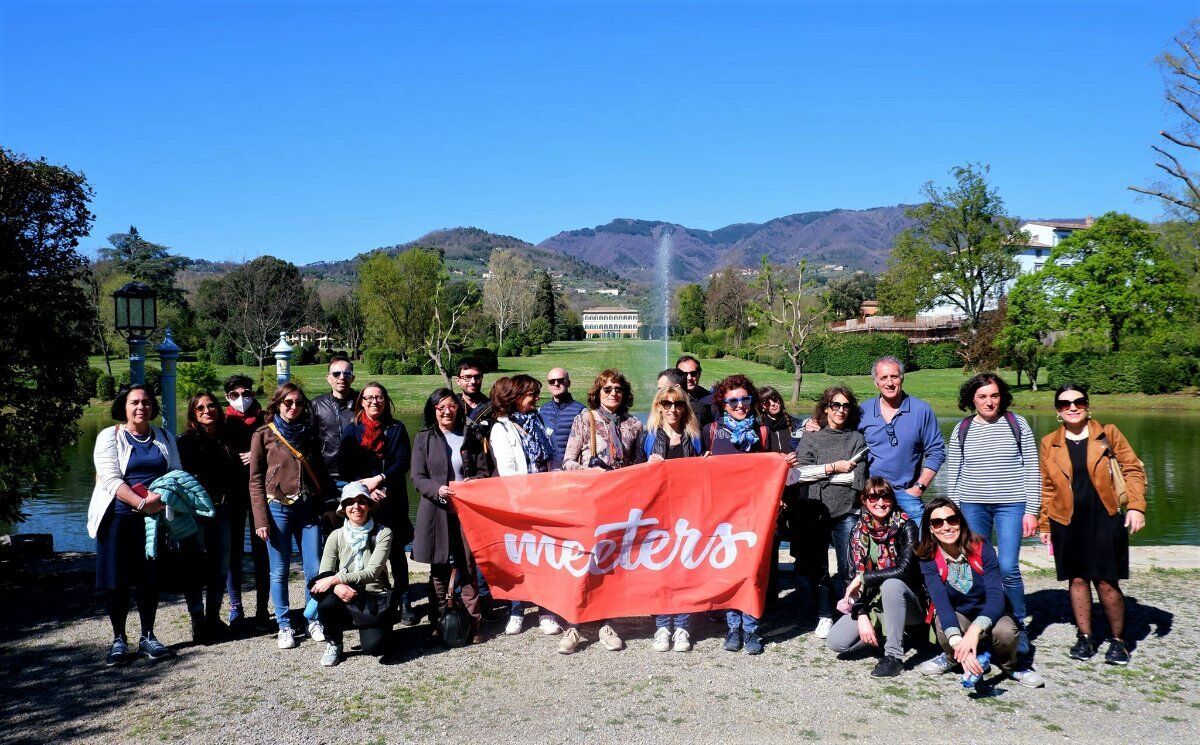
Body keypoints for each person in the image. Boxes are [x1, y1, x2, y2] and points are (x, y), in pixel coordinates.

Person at [941, 372, 1043, 686]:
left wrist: (1031, 509)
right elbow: (953, 473)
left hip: (1011, 504)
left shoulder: (1017, 424)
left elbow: (1032, 467)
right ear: (972, 399)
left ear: (1002, 397)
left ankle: (1018, 624)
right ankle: (981, 623)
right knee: (978, 568)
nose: (989, 401)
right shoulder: (963, 428)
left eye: (994, 395)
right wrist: (954, 515)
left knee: (1009, 567)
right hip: (972, 506)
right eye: (983, 396)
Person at [1037, 384, 1147, 665]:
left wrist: (1136, 506)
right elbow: (1047, 487)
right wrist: (1045, 524)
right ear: (1058, 411)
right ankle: (1085, 637)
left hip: (1106, 518)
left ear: (1087, 405)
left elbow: (1133, 469)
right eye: (1064, 404)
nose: (1072, 408)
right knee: (1076, 579)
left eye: (1078, 402)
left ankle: (1119, 641)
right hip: (1067, 521)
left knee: (1107, 581)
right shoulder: (1050, 442)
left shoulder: (1107, 434)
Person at [702, 374, 797, 655]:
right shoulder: (712, 431)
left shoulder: (762, 430)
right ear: (723, 403)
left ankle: (752, 628)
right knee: (730, 570)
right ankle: (733, 626)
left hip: (756, 513)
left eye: (745, 399)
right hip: (724, 514)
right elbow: (697, 473)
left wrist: (784, 468)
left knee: (754, 571)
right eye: (733, 400)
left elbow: (773, 469)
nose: (740, 405)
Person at [87, 385, 178, 665]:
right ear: (123, 407)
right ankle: (118, 640)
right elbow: (111, 480)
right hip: (117, 519)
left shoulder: (164, 436)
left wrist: (157, 500)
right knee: (117, 581)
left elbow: (176, 473)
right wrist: (141, 504)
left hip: (154, 520)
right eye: (135, 403)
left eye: (147, 402)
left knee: (149, 579)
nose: (141, 407)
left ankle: (148, 636)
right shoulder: (109, 437)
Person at [560, 369, 646, 653]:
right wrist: (590, 472)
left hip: (619, 504)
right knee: (583, 562)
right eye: (607, 389)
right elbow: (568, 461)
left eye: (618, 389)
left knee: (610, 564)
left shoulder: (634, 424)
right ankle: (574, 624)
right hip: (589, 502)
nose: (613, 393)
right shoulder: (585, 419)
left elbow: (638, 466)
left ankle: (606, 622)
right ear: (597, 392)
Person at [249, 383, 335, 650]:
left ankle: (314, 618)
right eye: (288, 403)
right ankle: (284, 624)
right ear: (277, 404)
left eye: (298, 403)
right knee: (279, 570)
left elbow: (319, 469)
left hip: (307, 508)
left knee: (315, 568)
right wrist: (260, 520)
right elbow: (255, 480)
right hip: (278, 508)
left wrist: (327, 504)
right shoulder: (263, 435)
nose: (293, 408)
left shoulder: (309, 432)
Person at [411, 388, 492, 645]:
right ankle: (438, 621)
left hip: (466, 510)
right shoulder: (424, 438)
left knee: (468, 567)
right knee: (439, 568)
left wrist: (474, 482)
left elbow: (484, 471)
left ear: (458, 408)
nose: (447, 411)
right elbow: (418, 477)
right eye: (441, 407)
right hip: (436, 510)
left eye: (452, 406)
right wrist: (437, 489)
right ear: (433, 410)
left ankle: (473, 621)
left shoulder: (470, 436)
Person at [916, 498, 1023, 686]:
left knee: (1006, 631)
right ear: (930, 529)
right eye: (937, 522)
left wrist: (975, 629)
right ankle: (953, 658)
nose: (946, 527)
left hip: (991, 614)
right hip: (960, 616)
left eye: (952, 519)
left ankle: (1011, 665)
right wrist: (960, 647)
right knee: (943, 623)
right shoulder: (928, 558)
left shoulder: (982, 548)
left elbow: (996, 597)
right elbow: (942, 604)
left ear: (961, 521)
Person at [825, 478, 925, 677]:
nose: (880, 503)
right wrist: (861, 614)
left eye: (885, 496)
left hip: (909, 601)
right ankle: (883, 632)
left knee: (892, 584)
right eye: (873, 497)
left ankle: (893, 657)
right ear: (864, 500)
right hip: (873, 602)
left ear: (892, 499)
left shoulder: (907, 525)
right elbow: (851, 577)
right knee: (836, 643)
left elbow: (904, 570)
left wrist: (864, 578)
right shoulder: (858, 530)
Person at [338, 382, 417, 626]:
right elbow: (345, 468)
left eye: (380, 397)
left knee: (396, 553)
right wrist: (365, 491)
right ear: (361, 401)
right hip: (364, 501)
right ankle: (377, 599)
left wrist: (381, 480)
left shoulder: (396, 428)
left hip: (393, 498)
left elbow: (403, 462)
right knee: (367, 551)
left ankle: (405, 602)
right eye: (369, 398)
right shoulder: (352, 431)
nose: (375, 402)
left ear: (386, 401)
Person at [794, 386, 868, 639]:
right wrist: (834, 468)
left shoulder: (856, 439)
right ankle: (824, 614)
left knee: (849, 566)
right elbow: (800, 473)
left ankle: (851, 612)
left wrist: (822, 474)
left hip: (847, 510)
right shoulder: (811, 438)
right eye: (835, 405)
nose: (841, 410)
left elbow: (857, 479)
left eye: (846, 406)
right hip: (815, 510)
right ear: (826, 408)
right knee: (819, 566)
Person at [490, 375, 561, 637]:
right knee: (519, 559)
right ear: (515, 397)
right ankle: (517, 610)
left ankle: (546, 610)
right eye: (531, 394)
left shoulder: (539, 421)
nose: (536, 398)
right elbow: (508, 472)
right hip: (520, 505)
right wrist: (526, 500)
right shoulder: (501, 429)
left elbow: (550, 458)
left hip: (547, 502)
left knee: (544, 558)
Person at [642, 384, 702, 652]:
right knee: (661, 571)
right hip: (658, 515)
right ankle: (662, 625)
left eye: (677, 404)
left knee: (684, 571)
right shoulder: (649, 437)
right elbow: (632, 475)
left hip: (687, 514)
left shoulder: (695, 437)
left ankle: (683, 627)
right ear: (659, 407)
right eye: (667, 404)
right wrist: (647, 466)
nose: (672, 409)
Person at [177, 390, 239, 644]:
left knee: (220, 565)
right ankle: (197, 620)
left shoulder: (227, 439)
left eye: (211, 406)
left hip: (223, 510)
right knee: (193, 566)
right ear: (193, 413)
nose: (206, 411)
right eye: (200, 408)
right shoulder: (186, 442)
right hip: (195, 513)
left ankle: (213, 618)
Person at [310, 484, 395, 666]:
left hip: (372, 595)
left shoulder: (383, 533)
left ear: (369, 506)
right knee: (325, 604)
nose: (356, 507)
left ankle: (379, 627)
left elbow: (372, 573)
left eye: (362, 501)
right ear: (344, 508)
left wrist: (336, 579)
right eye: (350, 502)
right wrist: (337, 585)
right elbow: (324, 573)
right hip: (344, 593)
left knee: (374, 648)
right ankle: (334, 643)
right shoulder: (335, 536)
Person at [851, 356, 945, 521]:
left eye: (894, 376)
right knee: (873, 546)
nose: (889, 383)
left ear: (902, 378)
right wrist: (812, 423)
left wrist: (918, 488)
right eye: (883, 378)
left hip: (908, 495)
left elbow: (936, 452)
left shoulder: (921, 410)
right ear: (876, 382)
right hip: (873, 497)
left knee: (916, 545)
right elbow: (840, 433)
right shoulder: (863, 411)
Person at [220, 374, 271, 632]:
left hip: (261, 494)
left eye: (246, 393)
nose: (242, 399)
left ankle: (262, 608)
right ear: (227, 397)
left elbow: (276, 450)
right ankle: (236, 607)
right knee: (233, 552)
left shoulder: (265, 420)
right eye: (235, 395)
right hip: (233, 494)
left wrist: (257, 454)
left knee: (263, 551)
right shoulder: (223, 422)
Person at [312, 356, 358, 493]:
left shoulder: (363, 404)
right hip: (325, 477)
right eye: (336, 374)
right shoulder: (316, 405)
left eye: (347, 373)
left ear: (352, 378)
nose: (342, 377)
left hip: (357, 477)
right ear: (328, 378)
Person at [539, 367, 585, 471]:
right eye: (552, 381)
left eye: (560, 380)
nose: (556, 384)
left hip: (572, 472)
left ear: (568, 383)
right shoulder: (541, 411)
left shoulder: (581, 412)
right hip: (547, 473)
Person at [676, 355, 714, 428]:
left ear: (699, 374)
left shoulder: (710, 400)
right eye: (684, 374)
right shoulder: (670, 400)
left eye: (693, 374)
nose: (689, 378)